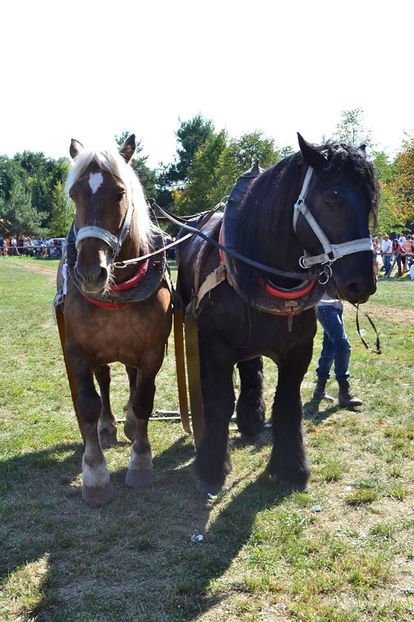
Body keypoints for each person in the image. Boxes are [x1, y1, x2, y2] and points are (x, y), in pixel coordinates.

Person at [312, 294, 362, 408]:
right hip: (324, 306)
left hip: (336, 307)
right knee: (343, 346)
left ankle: (319, 390)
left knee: (329, 350)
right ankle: (344, 393)